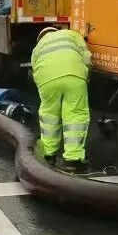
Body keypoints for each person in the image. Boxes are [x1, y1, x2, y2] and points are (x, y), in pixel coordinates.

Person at [31, 26, 91, 172]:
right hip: (74, 76)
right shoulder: (70, 34)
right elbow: (87, 58)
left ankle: (48, 155)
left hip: (47, 81)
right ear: (55, 31)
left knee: (49, 117)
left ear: (41, 37)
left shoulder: (37, 48)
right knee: (75, 115)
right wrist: (87, 76)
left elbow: (34, 69)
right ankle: (72, 160)